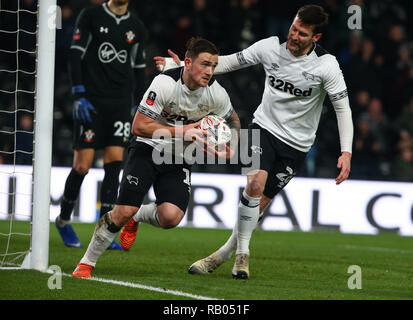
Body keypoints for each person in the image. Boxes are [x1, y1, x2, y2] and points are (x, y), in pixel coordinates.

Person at [154, 4, 353, 279]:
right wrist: (182, 65)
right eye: (294, 29)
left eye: (302, 34)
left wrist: (346, 151)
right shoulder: (270, 47)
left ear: (315, 38)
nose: (294, 36)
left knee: (256, 208)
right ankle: (242, 257)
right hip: (262, 128)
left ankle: (220, 255)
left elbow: (342, 108)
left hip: (297, 146)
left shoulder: (326, 66)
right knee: (254, 184)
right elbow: (227, 62)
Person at [71, 37, 241, 278]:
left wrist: (231, 143)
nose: (210, 71)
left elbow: (233, 118)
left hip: (178, 156)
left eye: (214, 66)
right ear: (188, 63)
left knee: (171, 217)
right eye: (205, 64)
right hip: (148, 146)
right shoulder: (164, 83)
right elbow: (139, 126)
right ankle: (86, 264)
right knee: (122, 211)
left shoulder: (216, 93)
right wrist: (183, 132)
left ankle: (137, 216)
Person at [55, 0, 147, 250]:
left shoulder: (136, 27)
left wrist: (141, 106)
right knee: (82, 166)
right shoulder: (91, 16)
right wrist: (78, 93)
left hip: (119, 104)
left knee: (114, 164)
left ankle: (104, 231)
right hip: (91, 101)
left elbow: (139, 70)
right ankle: (63, 220)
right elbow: (75, 54)